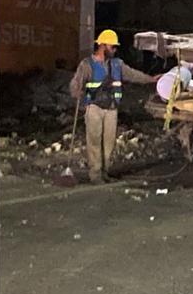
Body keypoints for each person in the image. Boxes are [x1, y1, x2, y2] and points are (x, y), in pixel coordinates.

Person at [68, 30, 159, 184]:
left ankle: (104, 172)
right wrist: (78, 93)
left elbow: (133, 75)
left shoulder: (117, 64)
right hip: (94, 108)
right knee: (94, 142)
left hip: (111, 108)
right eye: (112, 46)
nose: (115, 50)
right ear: (102, 46)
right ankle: (95, 175)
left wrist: (151, 79)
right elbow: (75, 85)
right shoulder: (87, 65)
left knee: (109, 143)